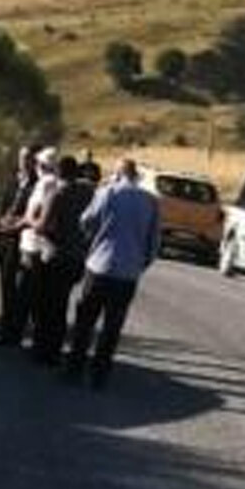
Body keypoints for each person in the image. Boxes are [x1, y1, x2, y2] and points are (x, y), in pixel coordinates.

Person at [63, 157, 160, 389]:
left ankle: (75, 369)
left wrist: (92, 241)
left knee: (86, 319)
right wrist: (140, 264)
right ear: (135, 175)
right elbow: (154, 242)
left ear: (117, 174)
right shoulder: (150, 201)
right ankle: (100, 375)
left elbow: (86, 220)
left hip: (100, 266)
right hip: (128, 273)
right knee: (112, 325)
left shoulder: (107, 192)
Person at [32, 156, 95, 366]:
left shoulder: (57, 194)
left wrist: (32, 220)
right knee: (61, 303)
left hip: (55, 256)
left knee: (47, 304)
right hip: (78, 258)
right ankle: (55, 349)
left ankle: (42, 349)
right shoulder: (89, 193)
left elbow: (43, 226)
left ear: (59, 172)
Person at [0, 145, 40, 344]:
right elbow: (3, 209)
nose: (24, 162)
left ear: (36, 162)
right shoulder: (14, 180)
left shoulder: (38, 185)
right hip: (4, 239)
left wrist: (10, 226)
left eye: (28, 159)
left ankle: (13, 332)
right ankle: (5, 326)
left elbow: (30, 217)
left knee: (19, 289)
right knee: (6, 285)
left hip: (22, 241)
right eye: (22, 157)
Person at [9, 146, 60, 348]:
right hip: (40, 246)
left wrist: (17, 224)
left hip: (34, 246)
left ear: (42, 165)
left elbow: (37, 216)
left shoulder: (46, 184)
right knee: (36, 294)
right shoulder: (51, 182)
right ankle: (34, 339)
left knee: (26, 293)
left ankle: (17, 337)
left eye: (38, 163)